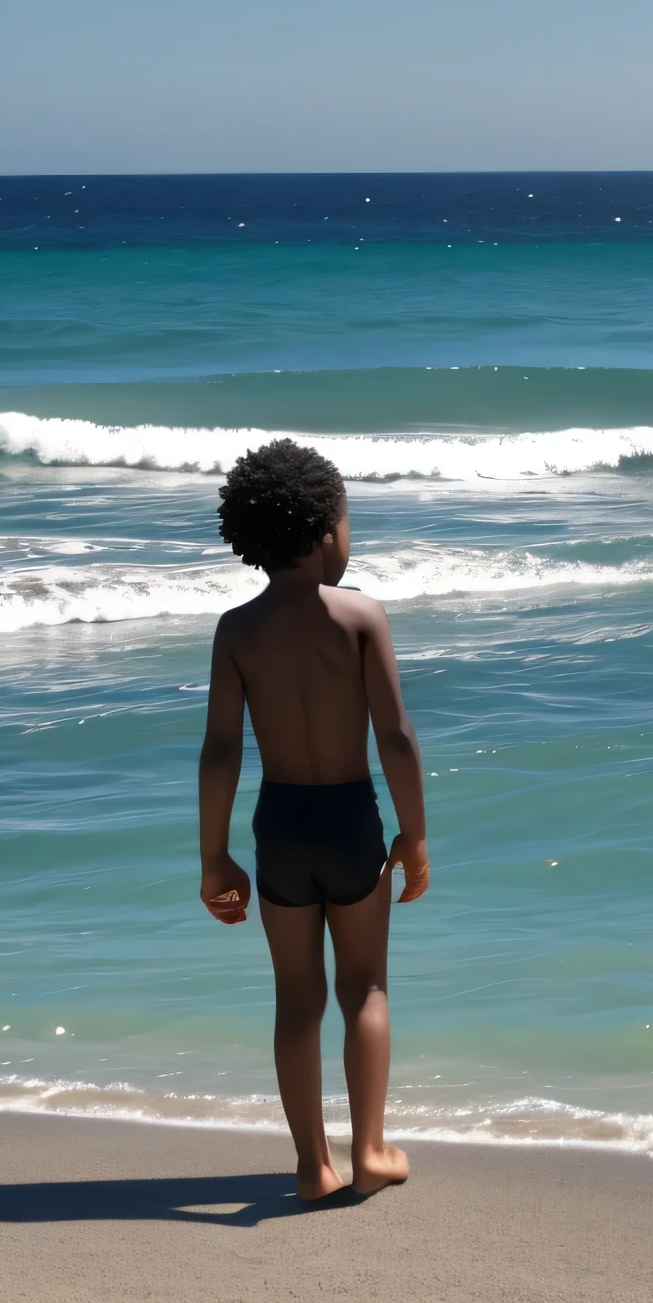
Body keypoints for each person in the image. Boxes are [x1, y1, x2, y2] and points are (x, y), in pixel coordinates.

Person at [197, 439, 429, 1200]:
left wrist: (214, 858)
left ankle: (312, 1166)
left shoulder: (237, 630)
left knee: (297, 997)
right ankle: (370, 1151)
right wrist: (414, 834)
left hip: (280, 825)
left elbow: (221, 751)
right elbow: (395, 736)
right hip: (349, 819)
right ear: (328, 531)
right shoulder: (360, 615)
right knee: (364, 986)